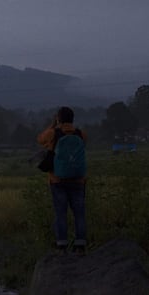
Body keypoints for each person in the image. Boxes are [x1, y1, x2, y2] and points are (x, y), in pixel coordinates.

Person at [37, 106, 87, 253]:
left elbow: (40, 139)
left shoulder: (53, 133)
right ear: (72, 119)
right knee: (79, 213)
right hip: (78, 180)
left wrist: (53, 125)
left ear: (59, 118)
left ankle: (62, 245)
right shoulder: (81, 134)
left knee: (60, 213)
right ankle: (80, 244)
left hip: (57, 179)